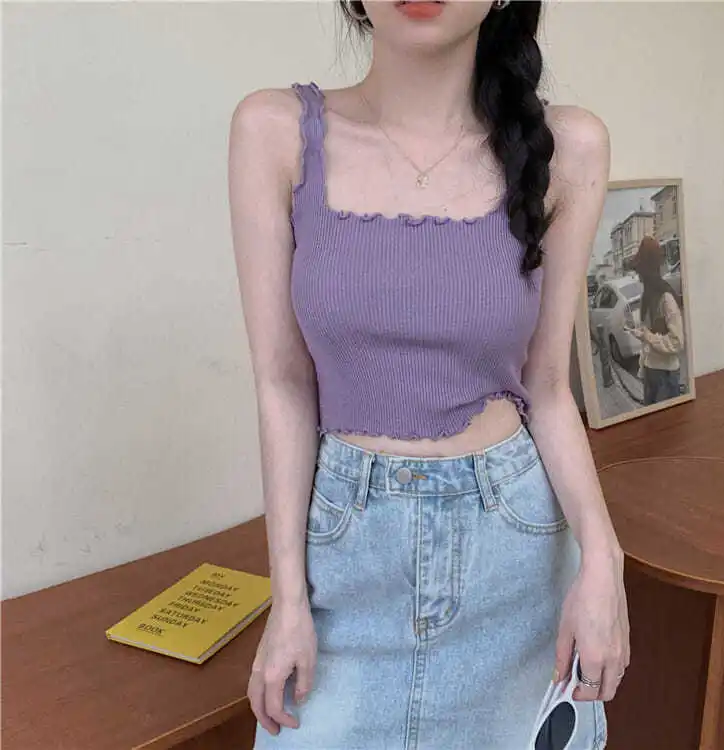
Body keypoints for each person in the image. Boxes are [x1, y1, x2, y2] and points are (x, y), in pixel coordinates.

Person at [228, 2, 629, 748]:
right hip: (345, 561)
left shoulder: (568, 146)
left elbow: (547, 385)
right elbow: (283, 381)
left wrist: (604, 558)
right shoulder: (273, 131)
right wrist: (288, 598)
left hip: (514, 555)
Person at [630, 236, 685, 405]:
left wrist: (647, 336)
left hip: (665, 377)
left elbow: (677, 342)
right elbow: (648, 339)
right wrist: (643, 368)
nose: (638, 275)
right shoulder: (647, 296)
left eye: (639, 270)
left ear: (647, 270)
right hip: (651, 374)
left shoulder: (666, 298)